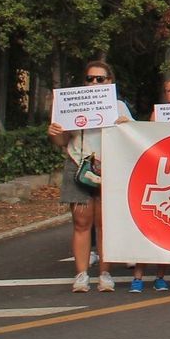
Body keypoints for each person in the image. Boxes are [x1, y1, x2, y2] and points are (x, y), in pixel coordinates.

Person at [47, 60, 132, 293]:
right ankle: (81, 274)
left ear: (110, 81)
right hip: (79, 165)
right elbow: (63, 142)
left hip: (110, 167)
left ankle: (105, 273)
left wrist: (127, 125)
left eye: (100, 79)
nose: (95, 83)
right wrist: (55, 133)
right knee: (81, 223)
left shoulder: (119, 107)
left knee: (105, 224)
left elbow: (133, 139)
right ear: (84, 81)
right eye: (90, 79)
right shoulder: (72, 104)